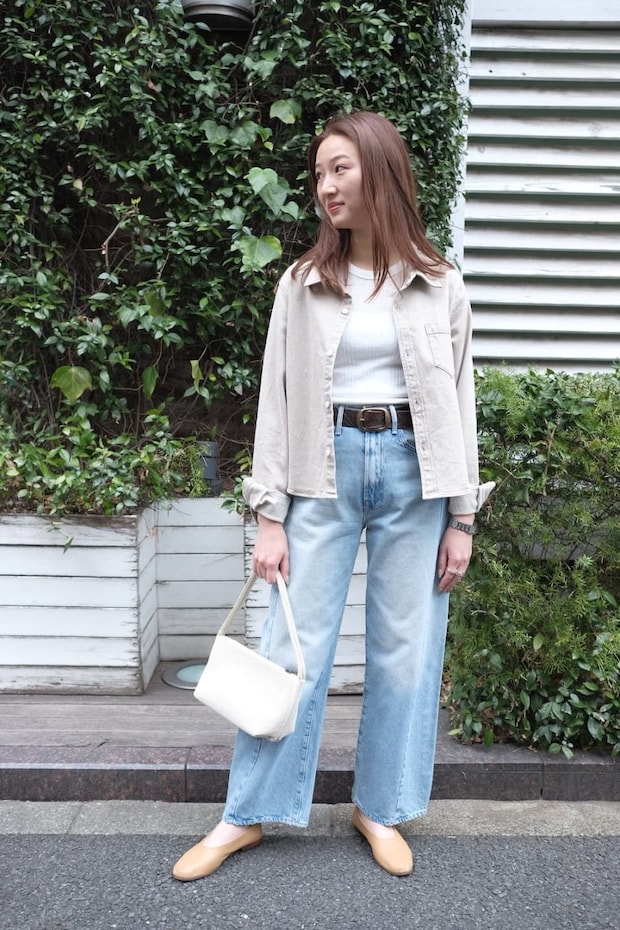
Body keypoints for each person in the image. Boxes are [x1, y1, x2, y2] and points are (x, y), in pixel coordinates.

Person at [173, 110, 494, 880]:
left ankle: (379, 807)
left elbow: (459, 400)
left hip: (417, 474)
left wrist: (462, 517)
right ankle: (247, 814)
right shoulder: (302, 284)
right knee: (291, 651)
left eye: (339, 168)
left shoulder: (440, 285)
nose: (325, 186)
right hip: (323, 469)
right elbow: (276, 402)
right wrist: (269, 515)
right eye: (319, 173)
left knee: (406, 653)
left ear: (379, 171)